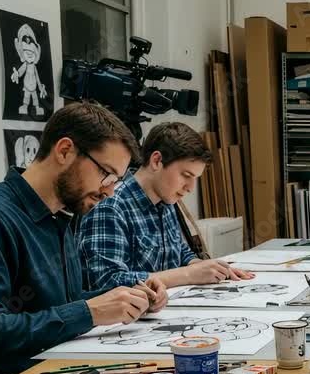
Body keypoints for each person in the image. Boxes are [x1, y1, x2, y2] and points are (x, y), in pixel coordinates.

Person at [0, 103, 166, 374]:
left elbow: (53, 304)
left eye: (116, 181)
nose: (109, 191)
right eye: (106, 175)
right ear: (65, 151)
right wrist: (90, 312)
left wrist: (126, 297)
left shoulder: (60, 216)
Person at [78, 122, 254, 290]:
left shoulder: (166, 200)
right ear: (156, 161)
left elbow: (180, 253)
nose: (191, 188)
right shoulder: (110, 207)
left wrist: (209, 268)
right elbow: (106, 281)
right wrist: (188, 274)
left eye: (195, 179)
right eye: (186, 175)